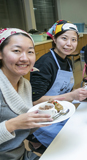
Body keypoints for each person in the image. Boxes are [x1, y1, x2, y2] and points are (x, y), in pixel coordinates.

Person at [29, 20, 87, 153]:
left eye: (73, 40)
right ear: (54, 38)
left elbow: (64, 90)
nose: (69, 44)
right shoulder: (45, 63)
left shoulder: (67, 60)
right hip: (43, 120)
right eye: (64, 38)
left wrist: (79, 92)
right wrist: (70, 96)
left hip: (60, 113)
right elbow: (34, 100)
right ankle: (37, 141)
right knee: (76, 147)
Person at [0, 28, 54, 160]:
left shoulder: (25, 85)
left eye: (30, 52)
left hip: (21, 154)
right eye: (16, 51)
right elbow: (16, 124)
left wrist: (40, 118)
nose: (24, 58)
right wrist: (13, 124)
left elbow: (23, 129)